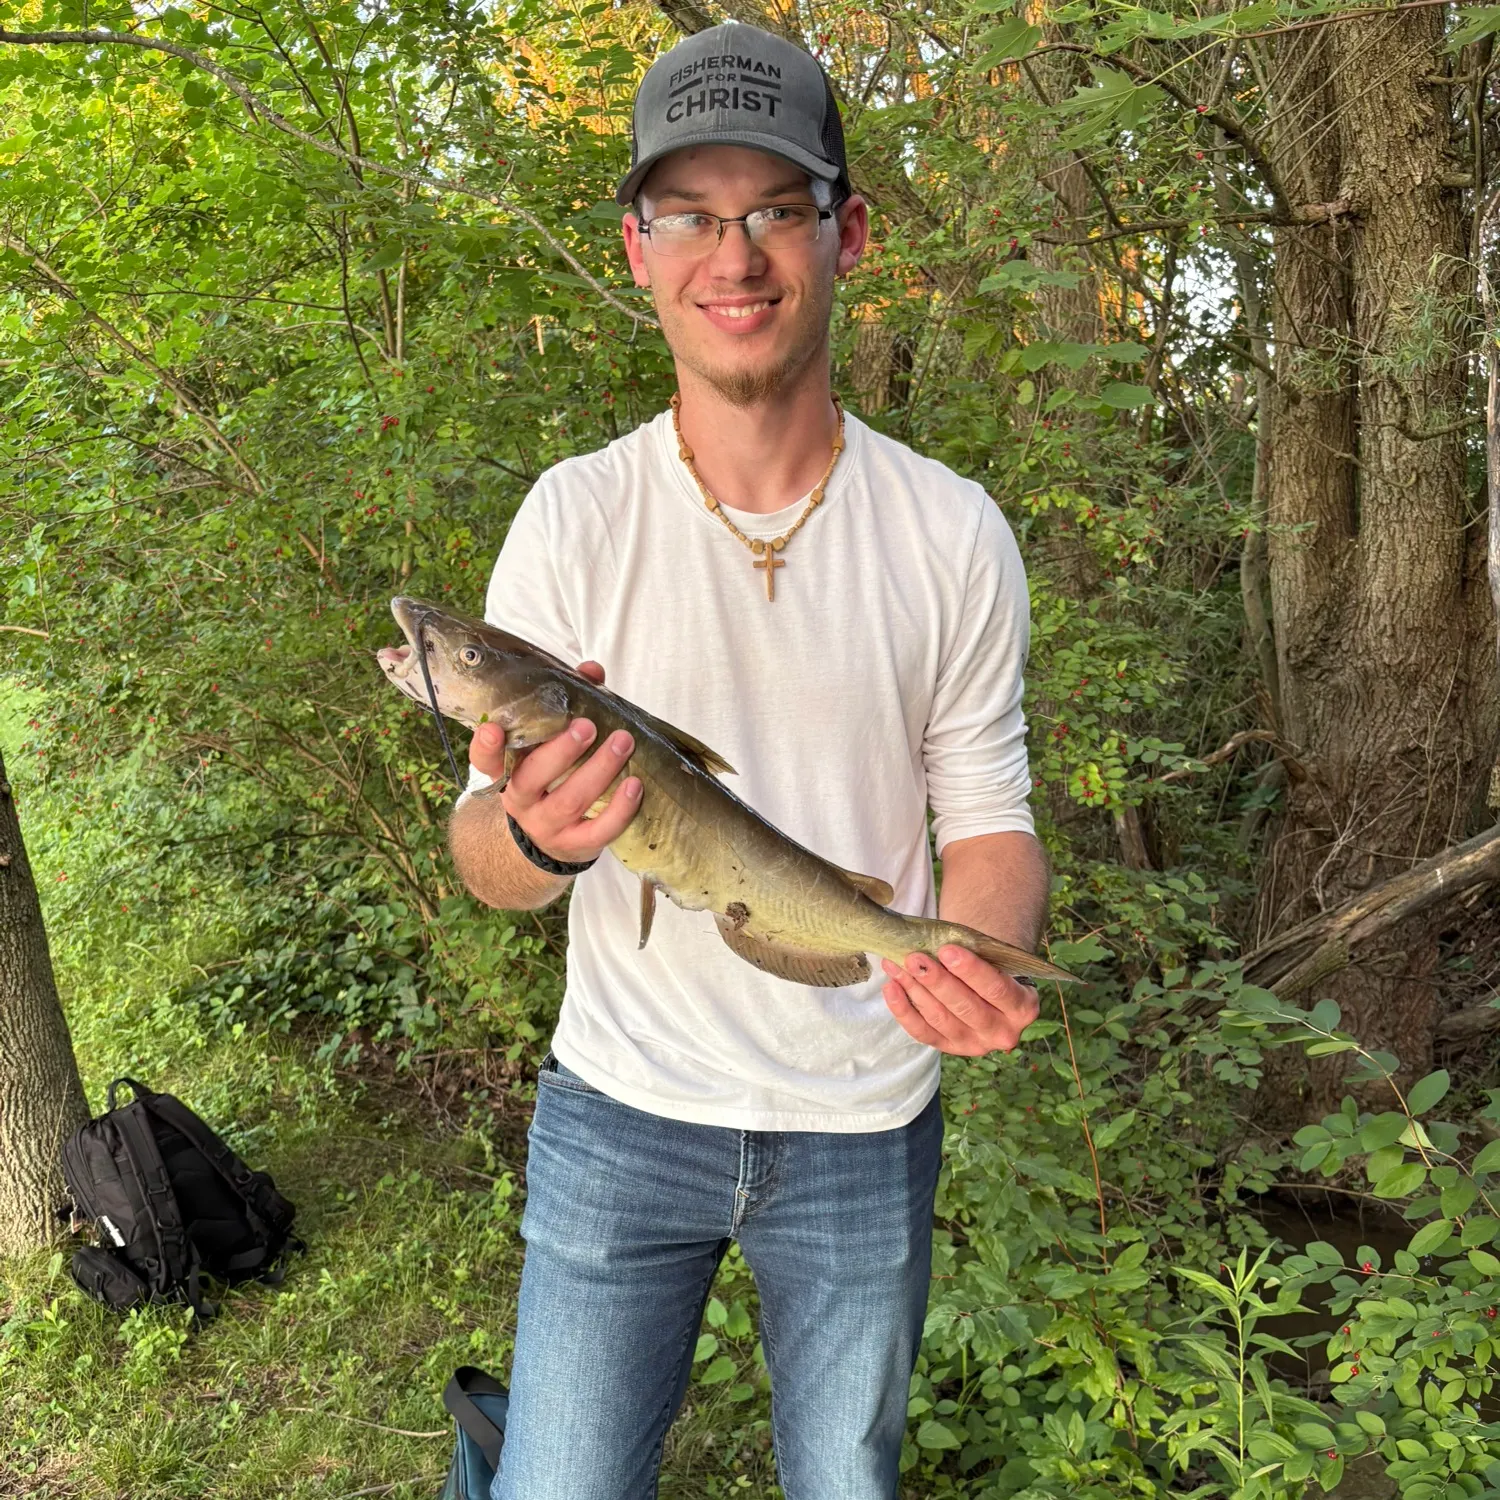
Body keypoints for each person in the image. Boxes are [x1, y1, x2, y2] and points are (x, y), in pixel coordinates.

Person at [447, 20, 1048, 1500]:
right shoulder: (574, 517)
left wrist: (985, 958)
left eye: (774, 209)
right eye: (694, 216)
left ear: (844, 233)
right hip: (618, 1111)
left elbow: (989, 817)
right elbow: (483, 863)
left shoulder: (952, 530)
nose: (738, 256)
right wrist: (535, 838)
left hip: (863, 1116)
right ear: (640, 248)